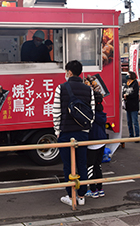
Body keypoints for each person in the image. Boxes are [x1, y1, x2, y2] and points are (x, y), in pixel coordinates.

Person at [53, 60, 91, 206]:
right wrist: (85, 130)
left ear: (69, 72)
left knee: (68, 165)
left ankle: (71, 196)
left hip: (66, 133)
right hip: (82, 133)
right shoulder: (88, 89)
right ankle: (81, 196)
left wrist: (57, 131)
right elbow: (91, 113)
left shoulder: (61, 88)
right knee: (82, 163)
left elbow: (56, 112)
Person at [85, 91, 107, 199]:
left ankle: (93, 190)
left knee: (90, 166)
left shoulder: (91, 115)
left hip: (92, 142)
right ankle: (100, 189)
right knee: (98, 165)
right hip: (102, 141)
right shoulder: (101, 113)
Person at [122, 71, 140, 141]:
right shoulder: (126, 84)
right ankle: (131, 135)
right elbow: (123, 92)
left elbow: (135, 94)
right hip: (127, 105)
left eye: (128, 75)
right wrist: (124, 96)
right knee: (129, 121)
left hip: (134, 105)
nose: (127, 76)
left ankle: (137, 136)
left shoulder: (135, 83)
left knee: (135, 121)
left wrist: (127, 96)